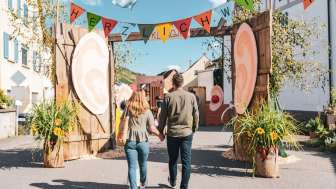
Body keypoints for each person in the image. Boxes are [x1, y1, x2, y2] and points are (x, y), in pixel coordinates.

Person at [158, 73, 199, 189]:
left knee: (173, 160)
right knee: (186, 162)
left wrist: (160, 131)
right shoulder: (191, 97)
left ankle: (173, 181)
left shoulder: (169, 97)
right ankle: (184, 186)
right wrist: (194, 128)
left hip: (172, 134)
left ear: (173, 83)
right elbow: (196, 114)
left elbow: (163, 117)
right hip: (187, 133)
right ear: (182, 82)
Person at [118, 91, 164, 189]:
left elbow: (122, 124)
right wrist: (160, 136)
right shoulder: (147, 111)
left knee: (132, 167)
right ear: (143, 98)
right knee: (143, 164)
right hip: (143, 142)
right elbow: (152, 128)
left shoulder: (127, 109)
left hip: (130, 141)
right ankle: (143, 182)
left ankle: (134, 187)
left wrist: (120, 134)